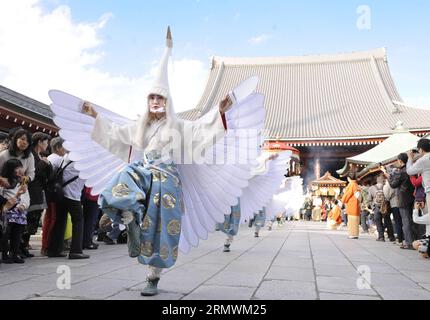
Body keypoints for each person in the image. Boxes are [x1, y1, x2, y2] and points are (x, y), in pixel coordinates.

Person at [50, 28, 265, 297]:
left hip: (168, 183)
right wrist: (94, 115)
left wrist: (219, 112)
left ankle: (153, 275)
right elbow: (114, 133)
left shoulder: (180, 126)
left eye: (159, 98)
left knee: (161, 230)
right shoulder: (138, 127)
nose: (155, 101)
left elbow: (202, 132)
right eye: (151, 97)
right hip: (144, 174)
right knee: (125, 174)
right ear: (147, 100)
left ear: (167, 102)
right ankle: (126, 213)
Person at [47, 150, 87, 259]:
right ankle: (76, 250)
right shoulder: (82, 161)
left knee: (60, 221)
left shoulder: (66, 157)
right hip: (72, 194)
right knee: (78, 220)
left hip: (60, 193)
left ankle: (53, 250)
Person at [22, 132, 52, 258]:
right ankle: (21, 246)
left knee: (33, 220)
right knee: (29, 219)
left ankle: (25, 245)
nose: (47, 145)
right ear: (39, 142)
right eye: (45, 142)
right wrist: (44, 163)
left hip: (39, 191)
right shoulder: (30, 155)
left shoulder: (40, 156)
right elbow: (32, 174)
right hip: (31, 191)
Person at [383, 153, 416, 249]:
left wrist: (388, 176)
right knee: (411, 220)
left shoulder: (402, 172)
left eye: (397, 161)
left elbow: (393, 184)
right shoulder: (410, 169)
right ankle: (413, 241)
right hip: (411, 197)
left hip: (403, 198)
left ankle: (409, 242)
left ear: (400, 161)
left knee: (406, 221)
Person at [41, 137, 66, 256]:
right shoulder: (60, 159)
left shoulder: (50, 158)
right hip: (56, 194)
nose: (66, 150)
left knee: (48, 218)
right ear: (57, 147)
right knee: (54, 219)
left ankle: (45, 245)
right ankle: (49, 246)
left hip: (48, 192)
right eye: (64, 147)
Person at [0, 159, 30, 263]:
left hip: (19, 212)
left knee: (17, 234)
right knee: (6, 234)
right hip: (8, 212)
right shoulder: (4, 182)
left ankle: (15, 253)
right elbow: (3, 198)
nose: (19, 170)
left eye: (20, 167)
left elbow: (26, 196)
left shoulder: (22, 181)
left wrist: (24, 205)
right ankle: (5, 254)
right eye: (16, 168)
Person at [368, 175, 395, 242]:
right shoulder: (386, 186)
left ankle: (381, 237)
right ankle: (391, 236)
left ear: (377, 181)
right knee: (387, 220)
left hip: (376, 206)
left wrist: (372, 206)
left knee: (378, 221)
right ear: (383, 180)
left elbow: (369, 199)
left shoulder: (372, 188)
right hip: (385, 206)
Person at [384, 178, 403, 245]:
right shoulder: (399, 181)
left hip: (394, 204)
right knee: (402, 221)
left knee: (397, 222)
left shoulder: (387, 185)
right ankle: (404, 238)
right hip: (402, 202)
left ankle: (400, 239)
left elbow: (386, 196)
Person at [341, 173, 361, 239]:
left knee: (352, 220)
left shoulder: (351, 185)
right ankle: (356, 234)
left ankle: (352, 234)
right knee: (356, 220)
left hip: (352, 204)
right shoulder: (356, 184)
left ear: (349, 178)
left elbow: (347, 194)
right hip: (356, 204)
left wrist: (343, 200)